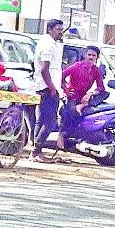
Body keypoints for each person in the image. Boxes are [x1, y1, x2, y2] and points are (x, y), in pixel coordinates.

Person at [29, 19, 64, 162]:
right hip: (47, 88)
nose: (60, 32)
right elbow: (44, 69)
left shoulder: (48, 42)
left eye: (61, 29)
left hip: (45, 86)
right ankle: (36, 151)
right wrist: (52, 88)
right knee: (50, 122)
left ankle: (36, 151)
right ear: (50, 29)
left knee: (41, 120)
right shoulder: (48, 44)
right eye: (58, 29)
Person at [58, 45, 105, 149]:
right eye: (89, 55)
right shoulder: (77, 66)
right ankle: (62, 134)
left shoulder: (96, 70)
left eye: (94, 55)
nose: (91, 57)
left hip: (85, 97)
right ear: (85, 55)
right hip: (72, 96)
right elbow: (61, 76)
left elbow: (101, 87)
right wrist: (65, 89)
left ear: (97, 57)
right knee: (70, 112)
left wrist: (91, 93)